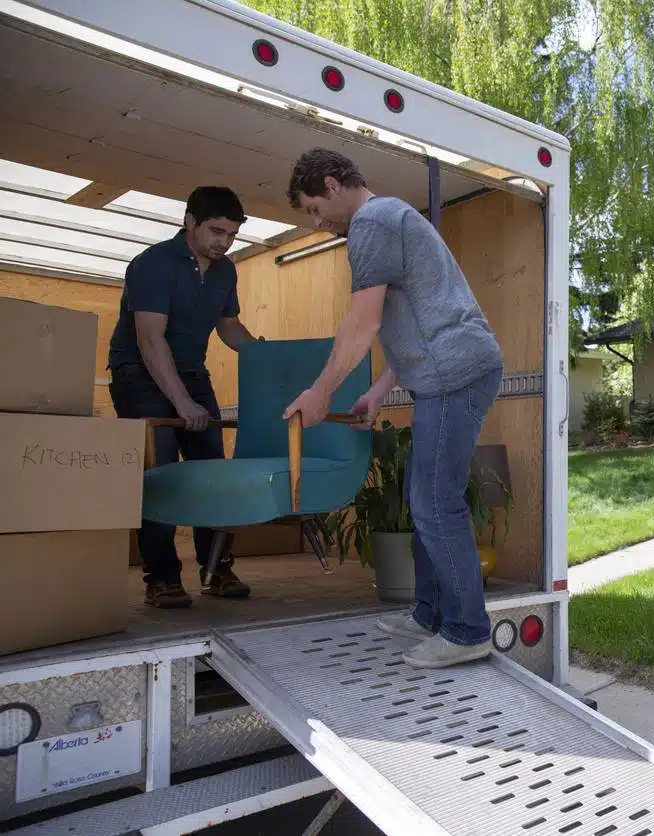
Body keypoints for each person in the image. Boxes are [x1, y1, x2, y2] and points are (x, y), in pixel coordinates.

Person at [282, 148, 504, 670]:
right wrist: (380, 391)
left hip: (455, 375)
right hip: (447, 372)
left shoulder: (372, 222)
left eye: (315, 208)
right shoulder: (392, 219)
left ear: (333, 185)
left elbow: (362, 324)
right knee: (421, 494)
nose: (317, 222)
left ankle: (467, 630)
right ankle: (429, 614)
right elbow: (412, 321)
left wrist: (320, 393)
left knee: (434, 500)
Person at [108, 186, 261, 609]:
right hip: (140, 373)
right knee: (160, 475)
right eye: (216, 231)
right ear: (189, 220)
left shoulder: (225, 270)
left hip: (192, 372)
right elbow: (150, 340)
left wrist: (267, 356)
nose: (223, 242)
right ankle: (162, 578)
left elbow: (229, 327)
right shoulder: (153, 264)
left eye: (231, 235)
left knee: (210, 472)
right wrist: (182, 404)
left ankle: (216, 570)